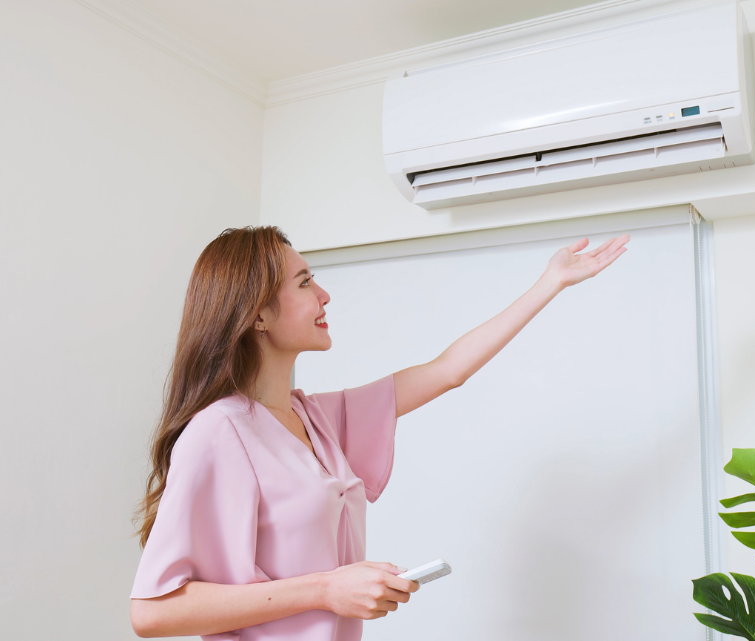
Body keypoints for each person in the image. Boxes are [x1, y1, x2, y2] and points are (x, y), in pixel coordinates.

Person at [129, 225, 629, 639]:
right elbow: (152, 612)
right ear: (257, 313)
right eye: (304, 283)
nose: (324, 295)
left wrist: (551, 283)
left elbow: (449, 369)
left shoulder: (318, 420)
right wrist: (326, 589)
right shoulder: (218, 431)